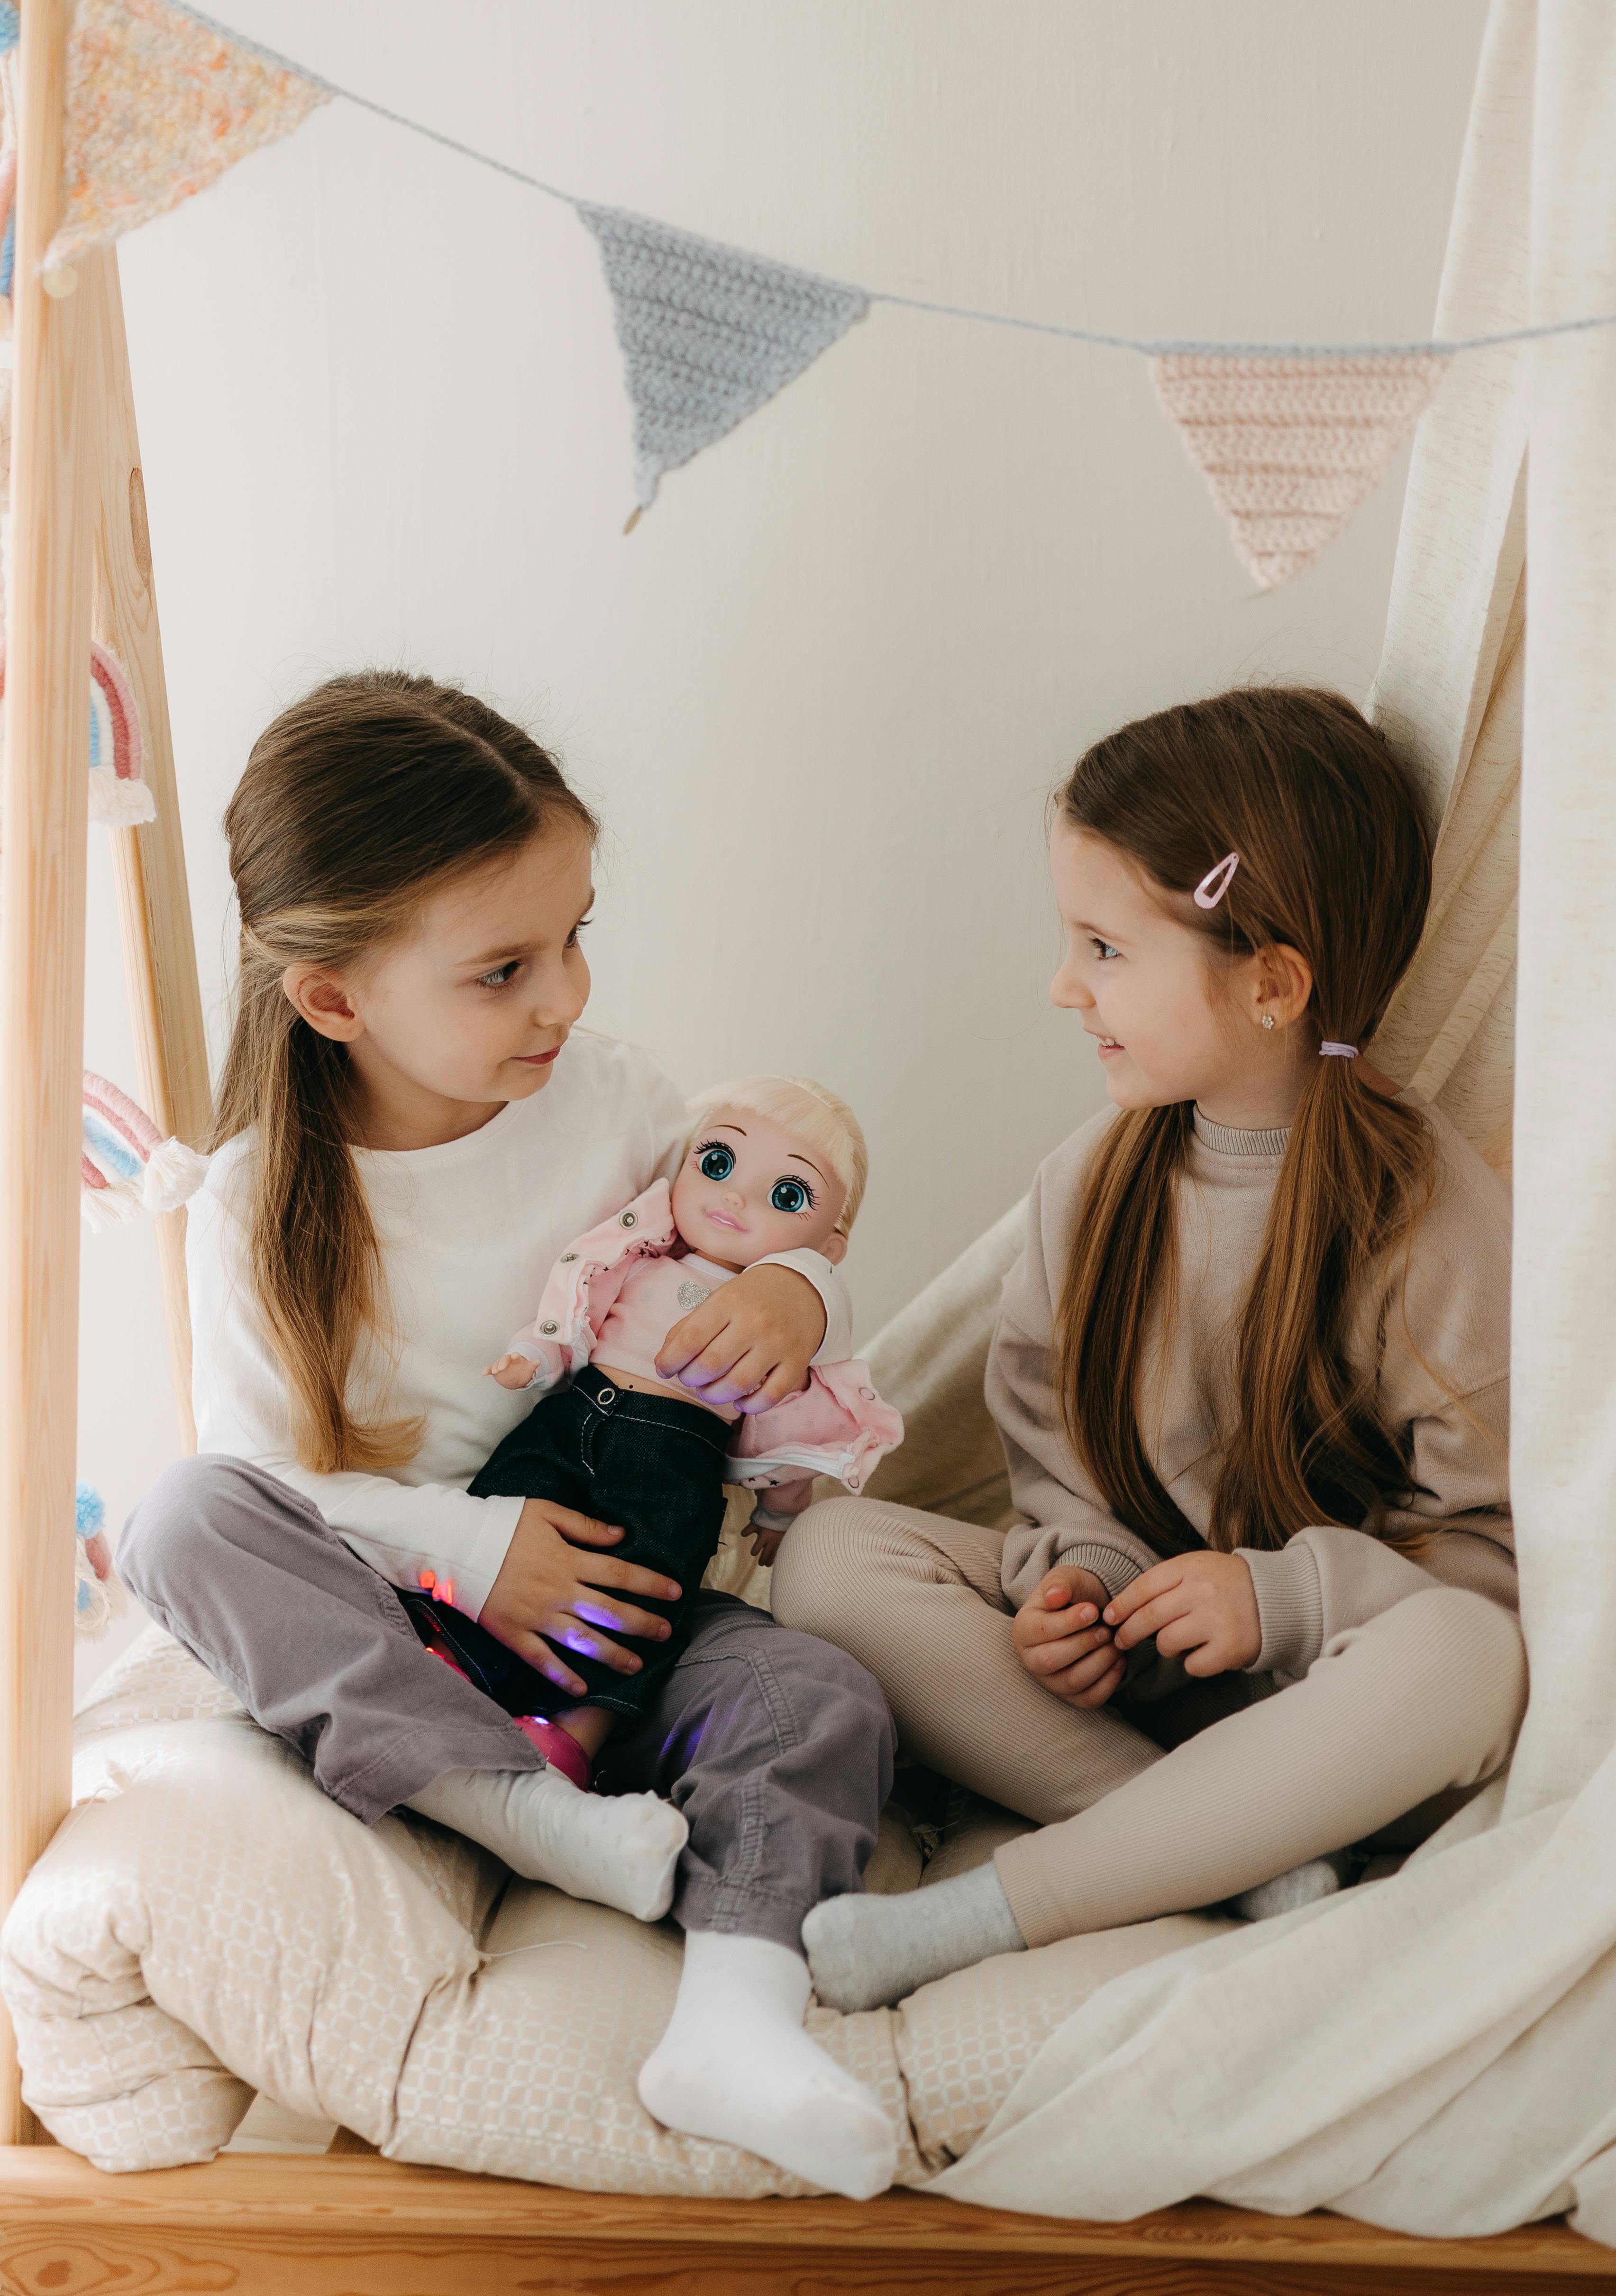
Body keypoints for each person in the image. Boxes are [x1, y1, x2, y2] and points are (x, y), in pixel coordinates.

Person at [118, 671, 899, 2200]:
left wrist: (802, 1294)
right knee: (180, 1520)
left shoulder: (615, 1104)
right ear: (336, 998)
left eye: (576, 938)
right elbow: (274, 1483)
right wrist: (482, 1555)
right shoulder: (254, 1200)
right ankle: (515, 1808)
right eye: (503, 970)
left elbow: (746, 1232)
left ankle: (735, 2020)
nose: (566, 998)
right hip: (408, 1622)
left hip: (627, 1594)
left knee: (821, 1698)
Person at [773, 683, 1525, 2014]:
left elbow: (1492, 1563)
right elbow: (1056, 1462)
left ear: (1271, 984)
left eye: (1106, 948)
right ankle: (1220, 1854)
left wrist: (1281, 1601)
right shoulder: (1089, 1185)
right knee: (833, 1555)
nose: (1065, 987)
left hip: (1335, 1707)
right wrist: (1083, 1579)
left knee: (1470, 1660)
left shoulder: (1436, 1219)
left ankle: (1021, 1901)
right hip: (1143, 1699)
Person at [406, 1075, 900, 1787]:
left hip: (676, 1455)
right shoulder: (639, 1256)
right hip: (574, 1411)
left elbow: (790, 1422)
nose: (733, 1199)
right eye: (718, 1164)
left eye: (786, 1195)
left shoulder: (779, 1329)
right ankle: (451, 1651)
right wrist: (540, 1353)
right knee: (509, 1503)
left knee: (644, 1595)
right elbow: (578, 1301)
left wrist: (778, 1511)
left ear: (831, 1244)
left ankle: (578, 1732)